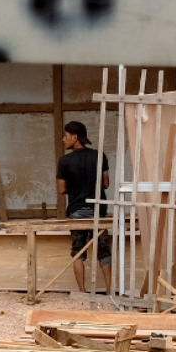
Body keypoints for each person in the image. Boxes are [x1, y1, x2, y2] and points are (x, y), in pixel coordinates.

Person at [56, 121, 111, 292]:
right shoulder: (99, 156)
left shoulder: (65, 161)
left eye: (65, 136)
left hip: (77, 210)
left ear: (75, 137)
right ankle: (110, 291)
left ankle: (83, 291)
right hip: (97, 210)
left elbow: (61, 189)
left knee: (78, 251)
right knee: (104, 251)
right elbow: (106, 183)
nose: (63, 139)